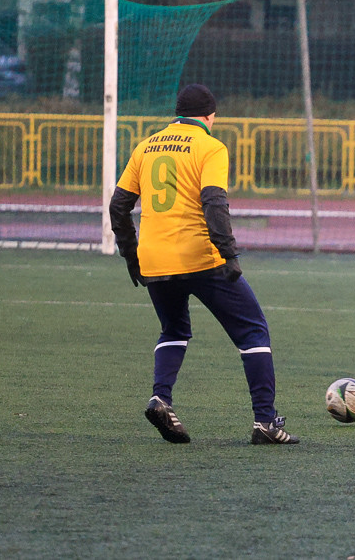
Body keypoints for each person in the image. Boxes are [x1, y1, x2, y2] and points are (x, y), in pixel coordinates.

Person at [109, 83, 298, 446]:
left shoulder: (147, 145)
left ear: (176, 113)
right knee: (253, 332)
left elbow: (119, 206)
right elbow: (214, 201)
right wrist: (228, 253)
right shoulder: (211, 146)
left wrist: (131, 255)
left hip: (153, 257)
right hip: (199, 256)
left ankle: (160, 397)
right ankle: (265, 423)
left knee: (174, 330)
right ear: (210, 116)